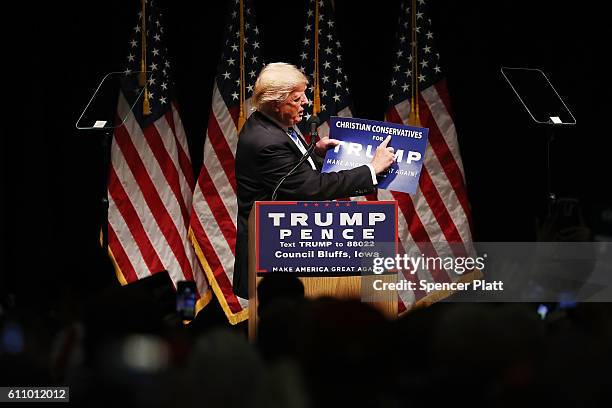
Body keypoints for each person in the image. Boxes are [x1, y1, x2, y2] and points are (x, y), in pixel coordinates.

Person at [233, 62, 395, 298]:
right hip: (273, 255)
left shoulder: (273, 122)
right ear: (276, 104)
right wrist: (371, 169)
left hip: (288, 251)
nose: (306, 102)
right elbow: (311, 188)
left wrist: (315, 153)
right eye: (297, 99)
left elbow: (290, 172)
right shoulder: (265, 141)